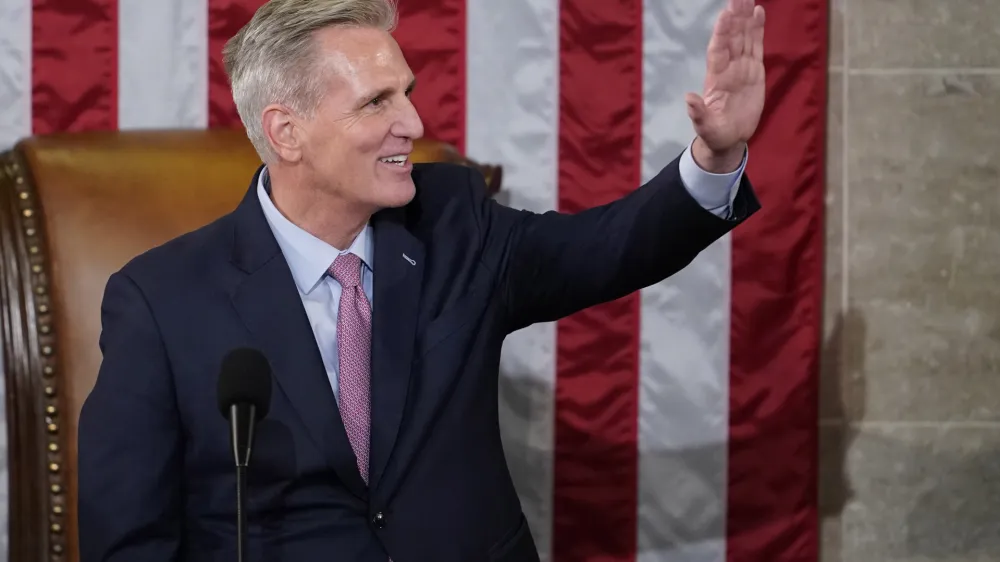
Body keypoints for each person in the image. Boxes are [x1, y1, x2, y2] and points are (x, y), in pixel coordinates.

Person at [76, 0, 766, 560]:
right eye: (377, 102)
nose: (413, 122)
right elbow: (129, 539)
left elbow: (609, 250)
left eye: (405, 92)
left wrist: (714, 154)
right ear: (286, 132)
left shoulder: (453, 225)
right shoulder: (162, 303)